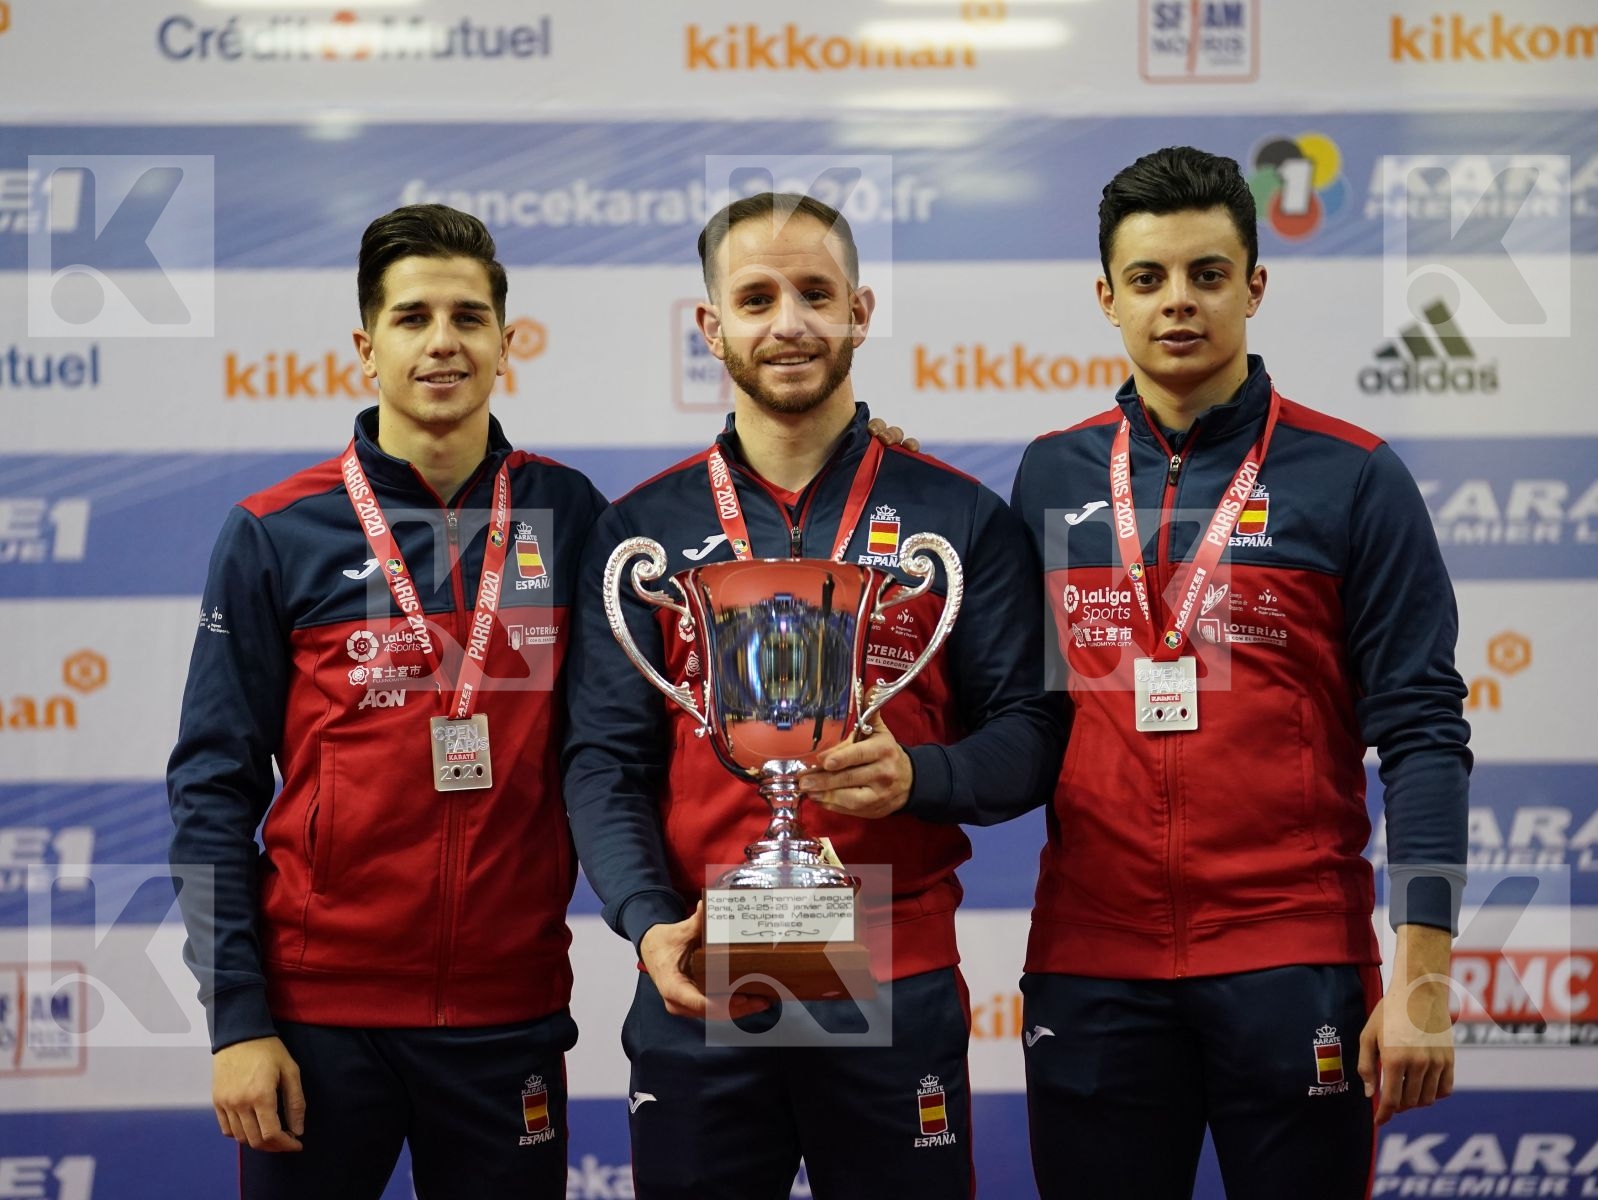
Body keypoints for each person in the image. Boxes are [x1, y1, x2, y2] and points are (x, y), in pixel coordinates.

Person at [561, 191, 1066, 1200]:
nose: (786, 321)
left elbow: (1031, 732)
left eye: (813, 293)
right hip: (700, 966)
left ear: (860, 312)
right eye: (755, 297)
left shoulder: (958, 518)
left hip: (892, 968)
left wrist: (916, 776)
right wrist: (649, 921)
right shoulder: (640, 533)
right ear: (711, 327)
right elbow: (602, 761)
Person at [1009, 146, 1471, 1198]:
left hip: (1289, 953)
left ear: (1253, 286)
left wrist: (1425, 979)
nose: (1177, 303)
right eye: (1147, 279)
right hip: (1092, 961)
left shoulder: (1352, 473)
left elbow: (1423, 733)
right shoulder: (1048, 473)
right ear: (1105, 298)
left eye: (1206, 275)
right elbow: (1013, 713)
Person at [167, 204, 606, 1199]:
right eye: (412, 318)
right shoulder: (277, 532)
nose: (442, 341)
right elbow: (209, 791)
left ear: (505, 342)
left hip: (510, 1015)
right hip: (318, 1025)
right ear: (366, 350)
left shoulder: (570, 517)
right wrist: (237, 1020)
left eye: (467, 315)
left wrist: (855, 446)